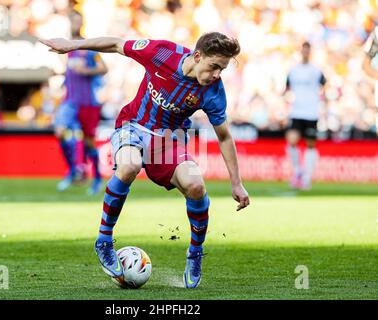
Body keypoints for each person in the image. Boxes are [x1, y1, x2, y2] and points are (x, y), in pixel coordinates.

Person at [40, 31, 250, 288]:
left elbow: (225, 137)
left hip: (168, 139)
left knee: (195, 185)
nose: (217, 74)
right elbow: (117, 44)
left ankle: (195, 252)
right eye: (214, 66)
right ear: (197, 56)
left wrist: (236, 183)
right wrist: (71, 45)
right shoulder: (161, 53)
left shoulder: (213, 92)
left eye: (222, 69)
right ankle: (104, 239)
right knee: (129, 165)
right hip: (133, 125)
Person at [54, 12, 108, 192]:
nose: (75, 23)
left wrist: (85, 71)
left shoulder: (88, 47)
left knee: (89, 142)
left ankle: (97, 179)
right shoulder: (65, 46)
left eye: (78, 20)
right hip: (70, 100)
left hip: (88, 102)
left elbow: (103, 68)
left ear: (82, 23)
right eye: (72, 20)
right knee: (60, 131)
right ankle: (73, 170)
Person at [284, 42, 326, 191]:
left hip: (312, 113)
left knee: (310, 144)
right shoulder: (293, 71)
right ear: (300, 52)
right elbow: (286, 89)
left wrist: (323, 107)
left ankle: (307, 177)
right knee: (292, 140)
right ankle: (298, 171)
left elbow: (324, 87)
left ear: (310, 52)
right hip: (297, 112)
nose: (305, 53)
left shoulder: (316, 71)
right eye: (303, 51)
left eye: (308, 51)